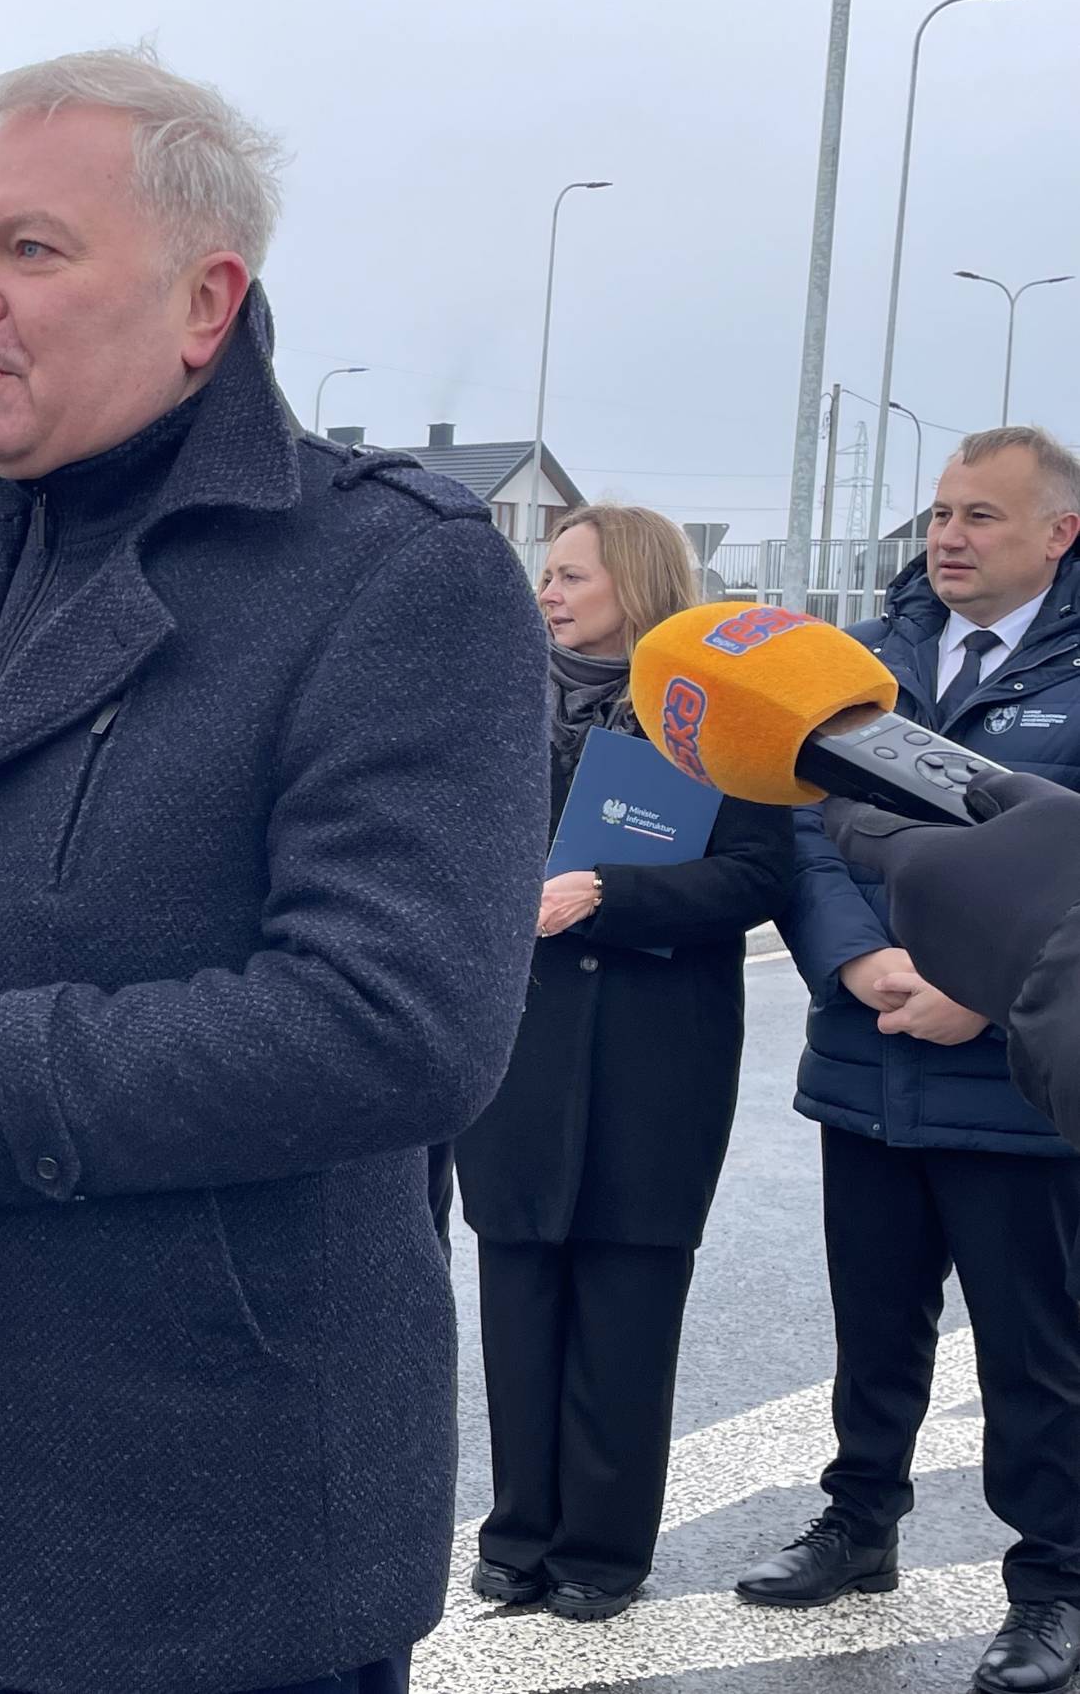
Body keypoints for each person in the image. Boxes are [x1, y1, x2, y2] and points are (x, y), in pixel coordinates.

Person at [0, 47, 548, 1694]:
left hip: (224, 1527)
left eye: (32, 249)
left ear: (202, 303)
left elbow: (393, 1024)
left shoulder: (392, 574)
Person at [744, 426, 1080, 1694]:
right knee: (872, 1318)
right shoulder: (858, 666)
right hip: (868, 1053)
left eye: (980, 515)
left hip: (1015, 1079)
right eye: (939, 512)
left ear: (1058, 533)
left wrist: (980, 990)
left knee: (1034, 1348)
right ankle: (858, 1522)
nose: (946, 535)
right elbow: (806, 830)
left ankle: (1053, 1582)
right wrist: (854, 961)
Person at [453, 506, 793, 1622]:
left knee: (627, 1300)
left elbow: (760, 876)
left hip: (656, 1050)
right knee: (517, 1291)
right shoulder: (499, 708)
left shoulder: (714, 722)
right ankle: (517, 1535)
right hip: (520, 1041)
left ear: (636, 586)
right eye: (545, 572)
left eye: (571, 575)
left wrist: (611, 893)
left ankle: (601, 1549)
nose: (547, 592)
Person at [824, 771, 1080, 1152]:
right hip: (860, 1072)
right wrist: (852, 953)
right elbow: (804, 841)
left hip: (1008, 1101)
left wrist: (990, 986)